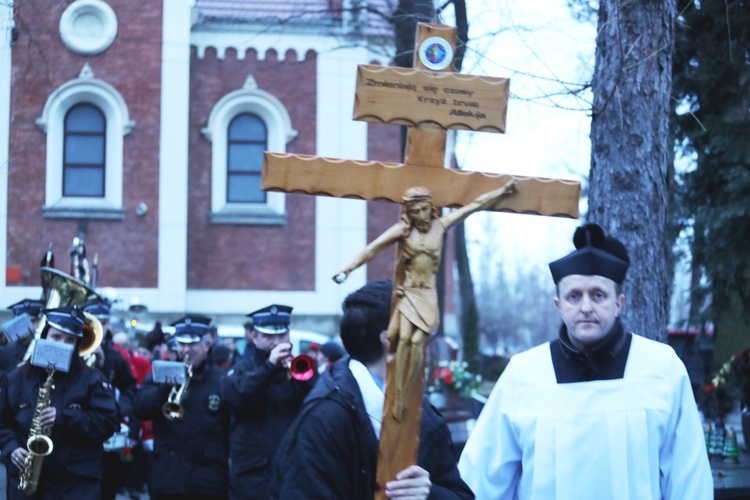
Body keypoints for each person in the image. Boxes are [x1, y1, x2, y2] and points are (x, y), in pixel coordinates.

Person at [458, 223, 713, 499]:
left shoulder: (662, 368)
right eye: (574, 296)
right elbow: (481, 481)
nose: (586, 307)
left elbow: (689, 479)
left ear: (619, 303)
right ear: (559, 305)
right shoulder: (523, 374)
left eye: (598, 295)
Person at [271, 280, 473, 499]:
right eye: (420, 332)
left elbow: (460, 494)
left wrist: (430, 494)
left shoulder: (422, 412)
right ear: (390, 339)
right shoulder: (324, 419)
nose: (427, 346)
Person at [333, 181, 517, 420]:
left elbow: (474, 206)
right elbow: (373, 248)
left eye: (423, 210)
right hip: (408, 293)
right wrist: (348, 269)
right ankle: (397, 393)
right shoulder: (403, 231)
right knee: (403, 341)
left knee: (419, 341)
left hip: (427, 293)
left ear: (432, 209)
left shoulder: (440, 227)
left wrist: (502, 191)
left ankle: (405, 391)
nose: (420, 215)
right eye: (414, 211)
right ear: (408, 212)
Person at [0, 305, 119, 499]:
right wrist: (11, 448)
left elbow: (108, 423)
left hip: (76, 485)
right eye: (56, 337)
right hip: (25, 484)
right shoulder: (17, 378)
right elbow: (2, 421)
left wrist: (64, 417)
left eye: (70, 340)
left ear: (78, 344)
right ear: (44, 337)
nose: (62, 345)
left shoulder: (93, 380)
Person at [221, 304, 318, 499]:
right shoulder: (241, 369)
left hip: (293, 470)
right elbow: (237, 399)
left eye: (282, 336)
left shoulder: (298, 368)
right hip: (254, 475)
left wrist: (304, 379)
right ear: (254, 337)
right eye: (269, 337)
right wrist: (270, 367)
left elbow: (318, 400)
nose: (276, 343)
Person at [133, 315, 230, 499]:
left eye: (192, 345)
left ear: (206, 346)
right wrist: (165, 388)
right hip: (167, 479)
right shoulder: (161, 374)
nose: (187, 350)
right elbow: (139, 408)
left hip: (208, 484)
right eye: (182, 344)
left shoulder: (221, 380)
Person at [82, 299, 140, 500]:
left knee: (108, 487)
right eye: (95, 321)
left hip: (107, 434)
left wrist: (123, 406)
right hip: (78, 432)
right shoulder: (75, 351)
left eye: (104, 322)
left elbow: (130, 387)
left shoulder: (116, 356)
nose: (100, 326)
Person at [0, 299, 44, 383]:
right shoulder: (3, 352)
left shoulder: (46, 348)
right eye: (22, 322)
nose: (28, 326)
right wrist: (16, 369)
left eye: (33, 321)